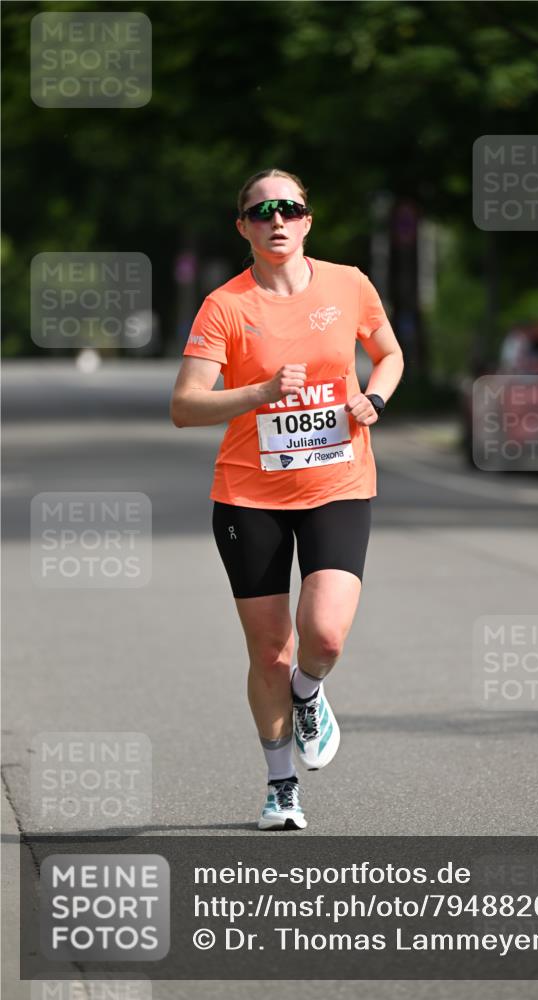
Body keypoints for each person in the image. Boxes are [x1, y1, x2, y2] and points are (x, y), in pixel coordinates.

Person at [170, 168, 404, 830]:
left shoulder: (349, 283)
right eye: (261, 209)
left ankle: (309, 691)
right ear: (242, 225)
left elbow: (388, 354)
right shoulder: (225, 305)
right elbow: (184, 407)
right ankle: (280, 786)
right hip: (248, 494)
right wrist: (258, 393)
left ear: (306, 220)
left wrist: (375, 398)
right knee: (269, 648)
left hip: (338, 482)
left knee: (322, 637)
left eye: (289, 208)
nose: (277, 219)